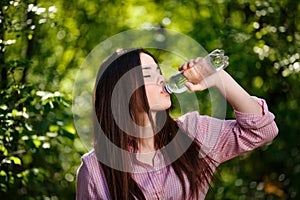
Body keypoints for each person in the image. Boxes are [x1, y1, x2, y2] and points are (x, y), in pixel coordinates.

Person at [76, 48, 278, 200]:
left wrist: (218, 78)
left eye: (158, 72)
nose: (162, 79)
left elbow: (262, 130)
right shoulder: (95, 169)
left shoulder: (194, 132)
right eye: (148, 75)